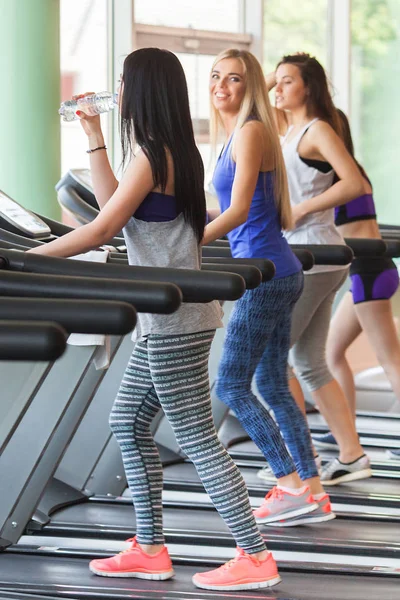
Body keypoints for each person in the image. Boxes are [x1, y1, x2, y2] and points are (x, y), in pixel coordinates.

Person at [28, 48, 282, 592]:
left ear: (141, 88)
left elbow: (98, 232)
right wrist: (93, 135)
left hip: (174, 319)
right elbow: (110, 208)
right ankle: (149, 547)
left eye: (123, 82)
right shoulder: (171, 150)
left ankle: (254, 555)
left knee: (194, 434)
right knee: (128, 421)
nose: (116, 90)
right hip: (168, 315)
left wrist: (28, 260)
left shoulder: (153, 155)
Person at [203, 47, 335, 528]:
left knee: (231, 384)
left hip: (267, 276)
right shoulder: (237, 135)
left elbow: (238, 212)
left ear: (250, 86)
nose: (222, 85)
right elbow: (234, 213)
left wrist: (189, 245)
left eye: (234, 78)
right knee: (273, 384)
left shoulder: (252, 130)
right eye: (215, 76)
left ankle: (289, 485)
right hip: (275, 271)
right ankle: (312, 490)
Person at [257, 53, 371, 487]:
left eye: (289, 82)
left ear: (309, 87)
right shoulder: (288, 132)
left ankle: (300, 464)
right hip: (314, 256)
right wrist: (275, 77)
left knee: (274, 362)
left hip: (313, 256)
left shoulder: (317, 129)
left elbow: (353, 182)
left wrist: (302, 208)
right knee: (308, 361)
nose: (279, 88)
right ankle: (351, 455)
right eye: (278, 81)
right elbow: (256, 102)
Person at [324, 109, 400, 462]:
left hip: (370, 274)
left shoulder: (341, 178)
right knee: (331, 353)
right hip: (367, 275)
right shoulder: (347, 173)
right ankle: (345, 429)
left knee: (391, 361)